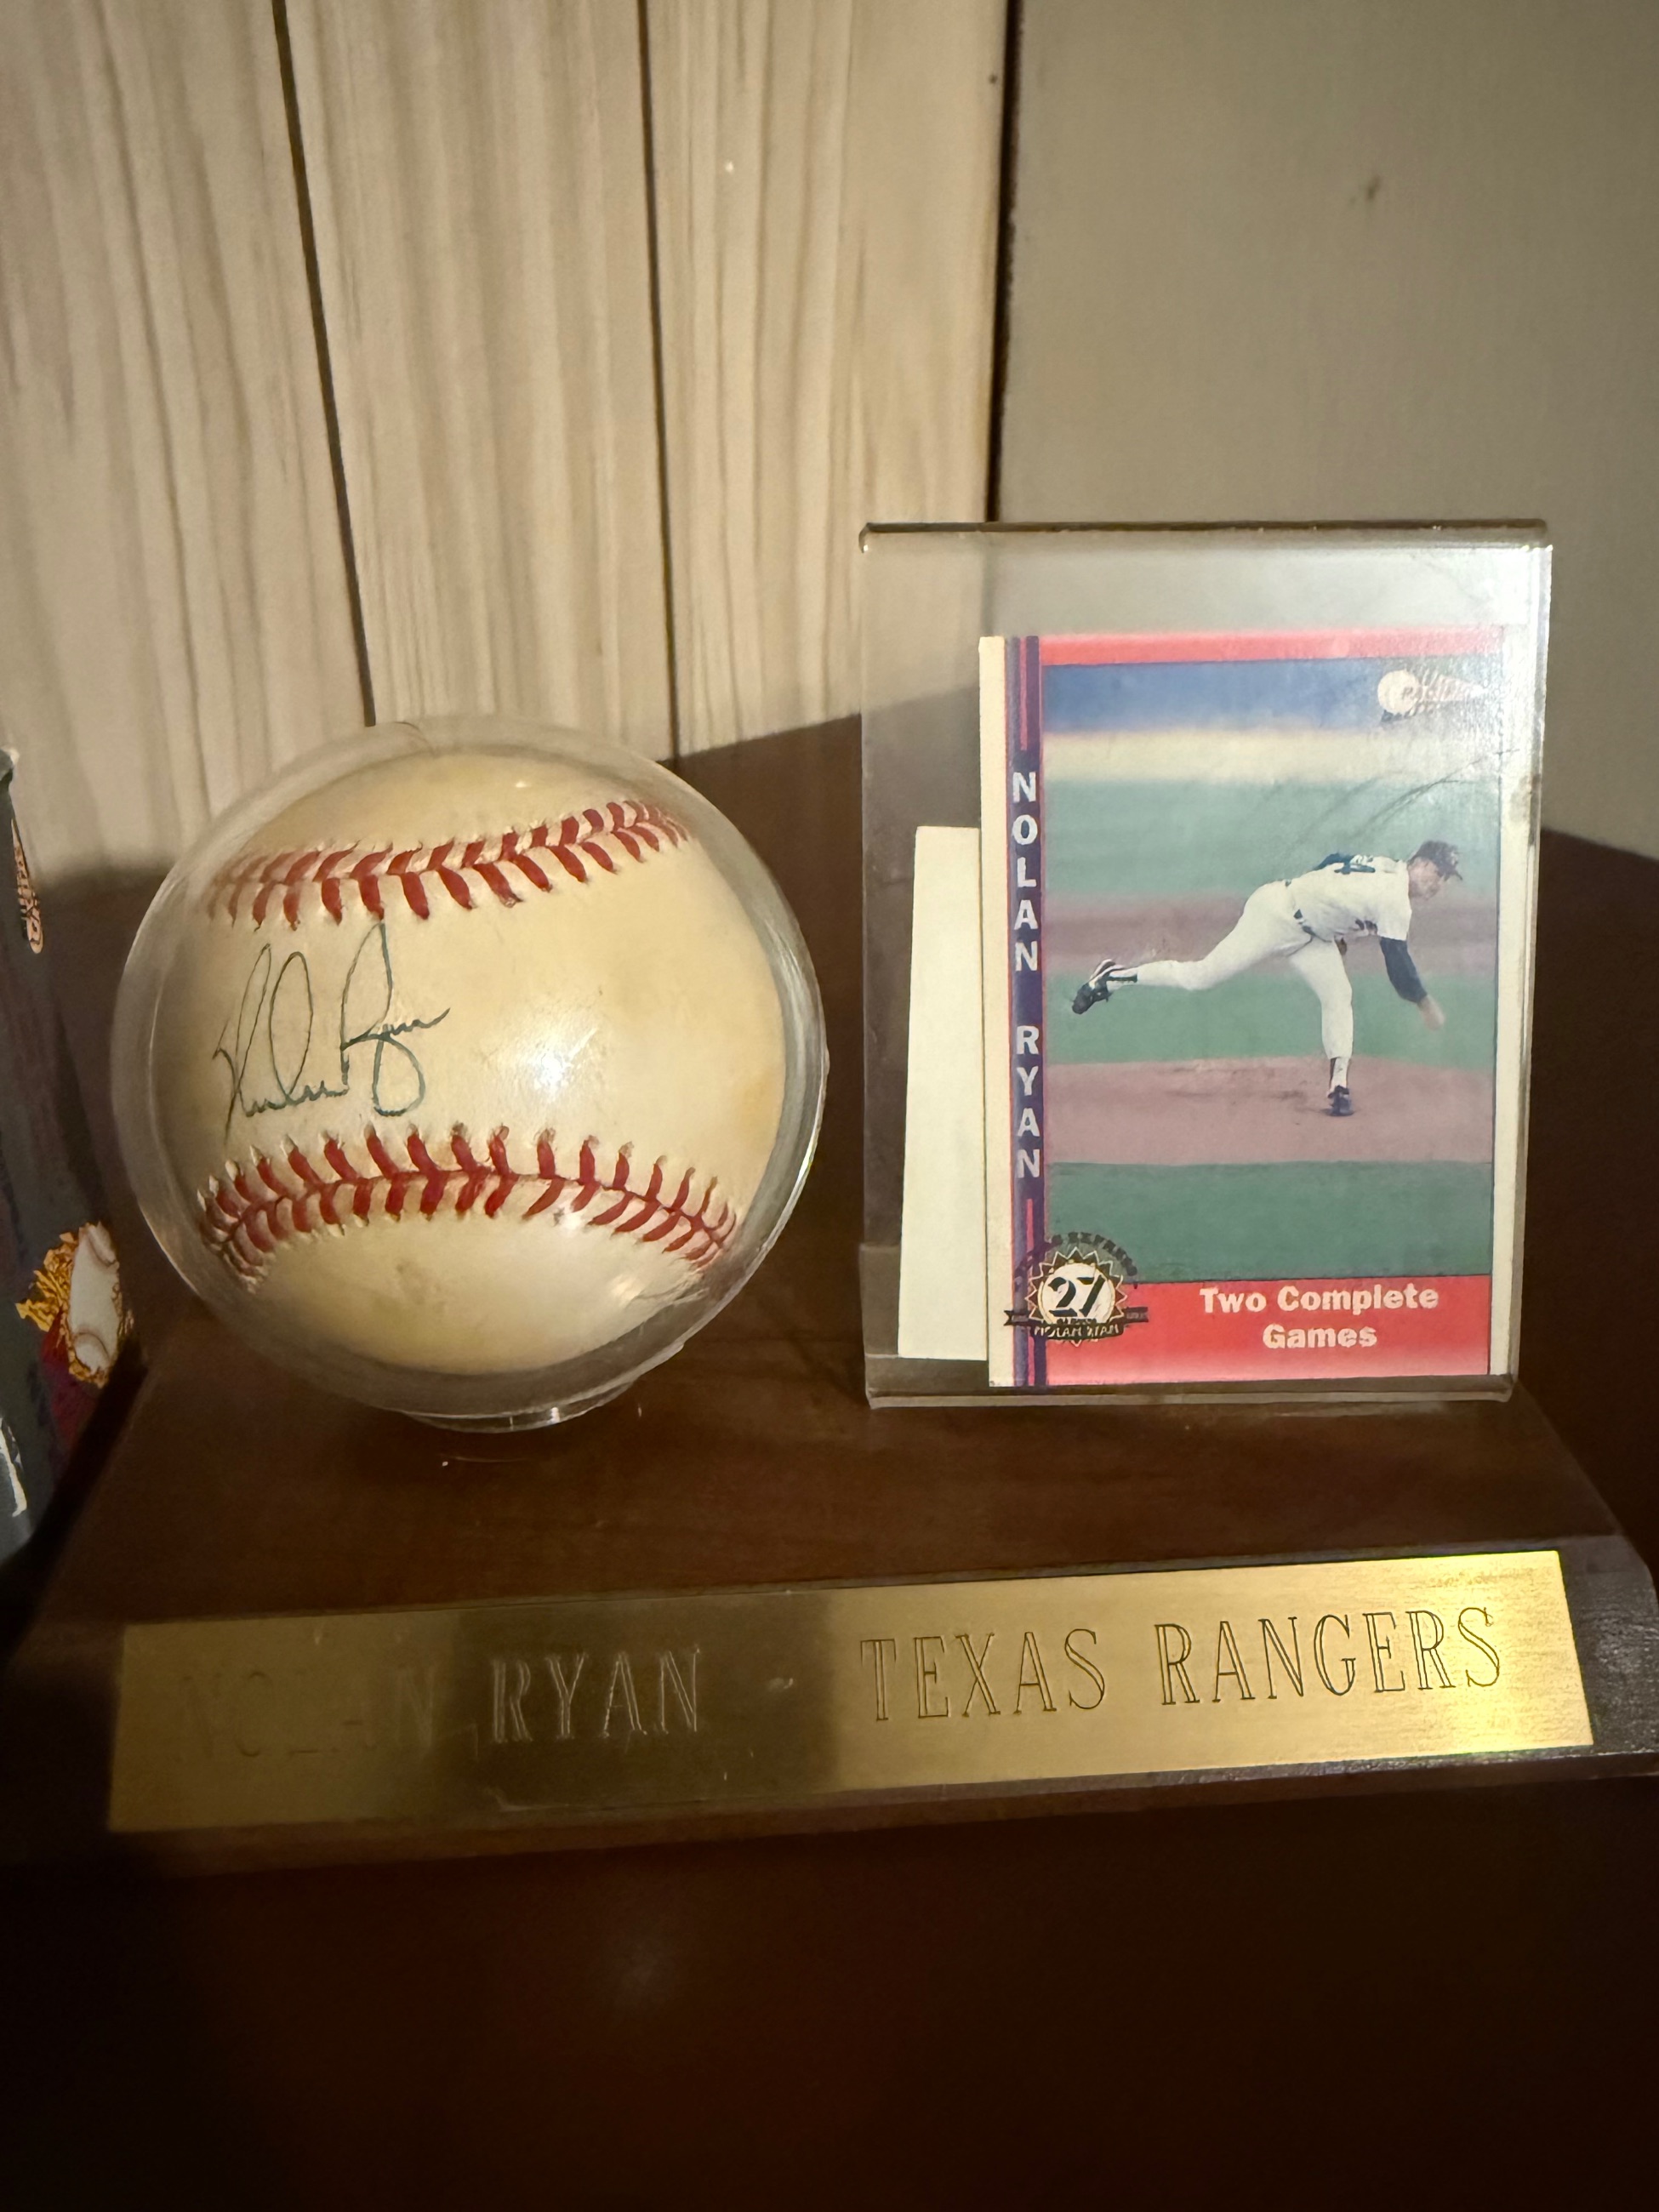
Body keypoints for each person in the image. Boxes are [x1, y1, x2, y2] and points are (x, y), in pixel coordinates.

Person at [1071, 841, 1459, 1116]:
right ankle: (1112, 978)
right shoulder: (1396, 900)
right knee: (1201, 976)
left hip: (1309, 934)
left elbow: (1335, 859)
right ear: (1421, 864)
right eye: (1439, 874)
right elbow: (1397, 961)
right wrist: (1424, 1002)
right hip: (1274, 916)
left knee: (1339, 995)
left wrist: (1329, 921)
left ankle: (1338, 1087)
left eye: (1445, 878)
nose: (1439, 885)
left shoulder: (1385, 864)